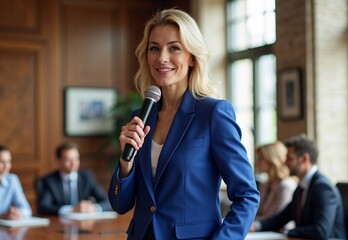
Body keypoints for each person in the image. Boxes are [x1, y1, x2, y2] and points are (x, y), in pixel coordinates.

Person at [107, 9, 260, 239]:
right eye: (154, 48)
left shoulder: (213, 113)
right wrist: (125, 163)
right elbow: (120, 204)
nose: (162, 58)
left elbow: (247, 195)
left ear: (191, 57)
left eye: (174, 48)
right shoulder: (140, 116)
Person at [250, 134, 346, 240]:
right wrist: (257, 226)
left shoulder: (322, 188)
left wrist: (288, 231)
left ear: (304, 159)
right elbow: (281, 218)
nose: (285, 162)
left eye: (289, 158)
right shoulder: (302, 186)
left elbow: (321, 231)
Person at [36, 141, 111, 215]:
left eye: (76, 159)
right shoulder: (48, 181)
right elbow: (44, 207)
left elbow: (108, 201)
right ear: (58, 161)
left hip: (85, 223)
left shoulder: (87, 177)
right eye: (68, 160)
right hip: (60, 224)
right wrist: (71, 209)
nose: (73, 163)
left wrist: (94, 208)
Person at [254, 141, 297, 221]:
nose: (256, 163)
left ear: (271, 160)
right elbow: (258, 212)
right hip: (262, 230)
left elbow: (275, 218)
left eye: (260, 158)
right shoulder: (265, 184)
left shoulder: (286, 186)